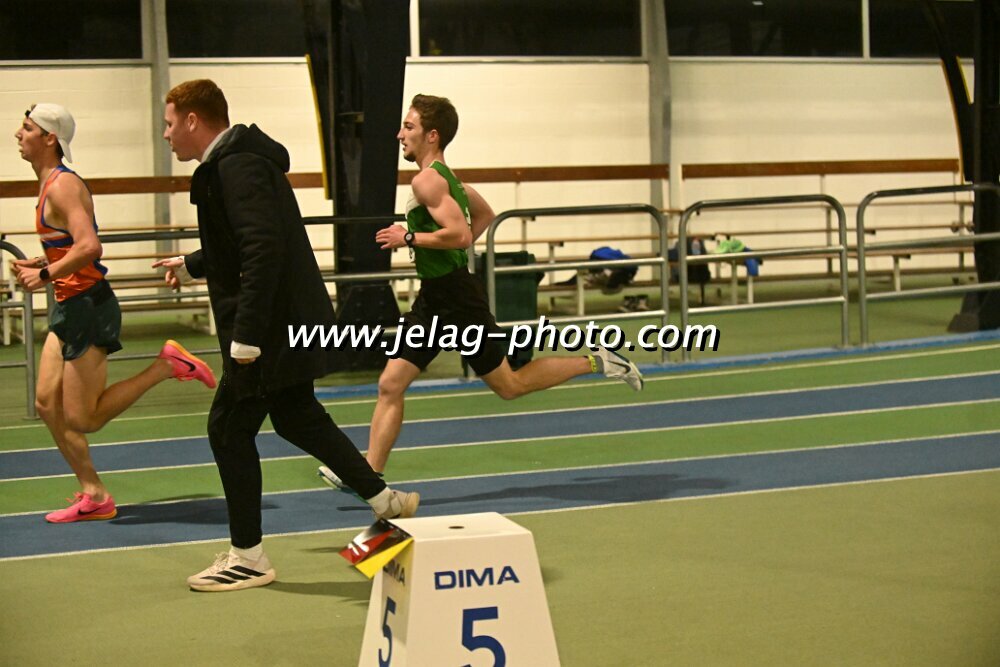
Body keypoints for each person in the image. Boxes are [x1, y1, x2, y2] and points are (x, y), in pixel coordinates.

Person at [154, 79, 418, 593]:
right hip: (282, 323)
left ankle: (248, 557)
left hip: (269, 331)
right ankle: (384, 501)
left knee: (227, 431)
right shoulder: (240, 162)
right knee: (298, 417)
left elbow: (263, 249)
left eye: (169, 124)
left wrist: (247, 336)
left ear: (192, 120)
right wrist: (194, 264)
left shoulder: (236, 166)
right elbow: (244, 240)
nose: (166, 135)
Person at [319, 94, 643, 491]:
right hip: (435, 297)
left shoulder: (428, 180)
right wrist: (441, 247)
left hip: (457, 299)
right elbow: (483, 217)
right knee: (391, 382)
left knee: (510, 385)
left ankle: (598, 361)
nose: (400, 134)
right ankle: (368, 474)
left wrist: (410, 237)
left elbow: (458, 235)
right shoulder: (452, 182)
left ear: (432, 135)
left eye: (409, 127)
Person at [12, 103, 216, 524]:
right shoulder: (49, 183)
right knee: (47, 404)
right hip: (68, 306)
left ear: (50, 138)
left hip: (89, 308)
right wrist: (44, 261)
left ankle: (166, 366)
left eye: (28, 128)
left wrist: (45, 274)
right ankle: (94, 493)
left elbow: (90, 246)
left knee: (84, 418)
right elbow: (72, 245)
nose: (19, 134)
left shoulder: (63, 186)